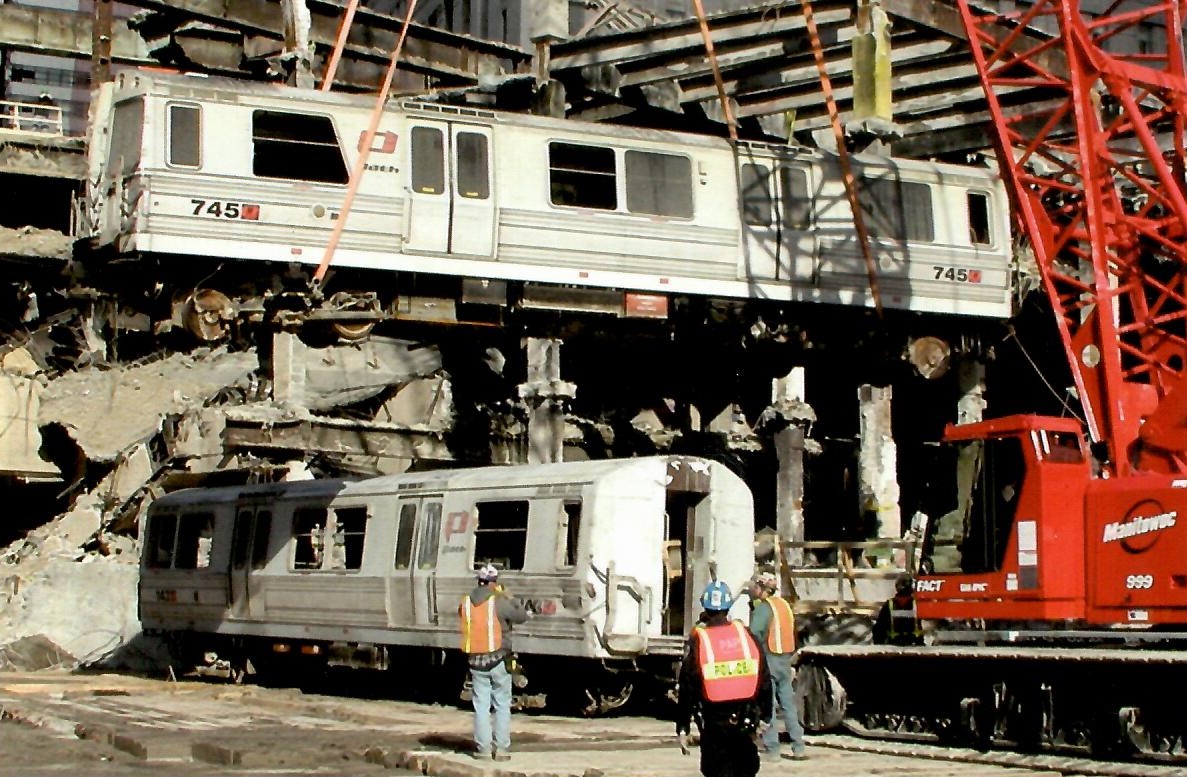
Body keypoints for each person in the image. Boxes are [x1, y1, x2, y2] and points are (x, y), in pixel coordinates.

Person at [676, 581, 772, 777]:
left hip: (714, 728)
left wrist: (683, 726)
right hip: (745, 725)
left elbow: (687, 687)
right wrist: (765, 717)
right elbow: (764, 678)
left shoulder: (700, 640)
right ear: (728, 607)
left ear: (706, 608)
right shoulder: (745, 635)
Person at [459, 563, 529, 761]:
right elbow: (521, 616)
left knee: (481, 705)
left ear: (479, 581)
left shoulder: (465, 602)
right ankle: (502, 749)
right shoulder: (499, 601)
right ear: (494, 583)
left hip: (475, 661)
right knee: (501, 704)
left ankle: (482, 750)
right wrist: (511, 598)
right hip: (498, 659)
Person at [747, 571, 807, 761]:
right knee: (789, 705)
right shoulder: (784, 606)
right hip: (785, 660)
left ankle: (773, 749)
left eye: (755, 587)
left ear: (761, 588)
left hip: (769, 660)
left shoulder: (764, 609)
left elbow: (754, 633)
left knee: (768, 707)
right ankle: (798, 746)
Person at [872, 575, 924, 646]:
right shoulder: (918, 605)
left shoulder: (888, 605)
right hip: (914, 647)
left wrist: (880, 646)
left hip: (892, 647)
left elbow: (879, 629)